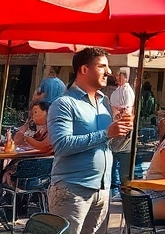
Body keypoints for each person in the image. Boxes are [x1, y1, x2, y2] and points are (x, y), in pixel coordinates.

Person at [49, 47, 132, 234]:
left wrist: (123, 132)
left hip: (103, 190)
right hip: (73, 190)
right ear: (84, 69)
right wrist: (106, 133)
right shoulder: (64, 104)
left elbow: (110, 146)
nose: (109, 72)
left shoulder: (104, 103)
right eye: (102, 66)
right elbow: (61, 145)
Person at [5, 101, 54, 185]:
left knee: (4, 172)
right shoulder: (35, 128)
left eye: (35, 112)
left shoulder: (53, 129)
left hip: (33, 170)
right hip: (39, 171)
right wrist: (25, 127)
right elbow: (17, 141)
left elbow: (44, 147)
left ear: (47, 112)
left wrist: (27, 139)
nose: (33, 115)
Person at [109, 67, 136, 191]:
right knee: (113, 156)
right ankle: (113, 183)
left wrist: (117, 111)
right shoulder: (118, 90)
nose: (116, 78)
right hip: (115, 125)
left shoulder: (127, 91)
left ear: (125, 77)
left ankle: (124, 187)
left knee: (123, 157)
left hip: (123, 127)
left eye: (119, 76)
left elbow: (126, 110)